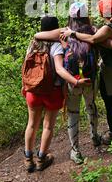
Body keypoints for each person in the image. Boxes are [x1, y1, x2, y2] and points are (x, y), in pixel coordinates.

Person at [62, 0, 112, 145]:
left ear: (102, 11)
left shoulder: (105, 29)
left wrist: (72, 34)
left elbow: (98, 41)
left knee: (109, 101)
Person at [23, 15, 91, 173]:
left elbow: (26, 67)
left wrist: (24, 86)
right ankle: (41, 159)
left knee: (32, 124)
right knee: (48, 126)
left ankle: (28, 159)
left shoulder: (33, 44)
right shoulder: (57, 46)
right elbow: (60, 70)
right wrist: (75, 82)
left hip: (33, 91)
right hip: (52, 92)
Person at [35, 3, 100, 164]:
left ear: (70, 17)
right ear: (86, 16)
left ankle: (75, 151)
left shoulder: (63, 32)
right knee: (91, 106)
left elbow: (38, 35)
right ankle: (94, 136)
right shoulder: (94, 31)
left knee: (73, 113)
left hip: (72, 81)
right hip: (90, 79)